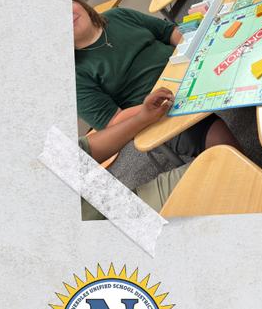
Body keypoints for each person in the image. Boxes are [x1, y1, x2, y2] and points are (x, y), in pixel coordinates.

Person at [72, 0, 239, 156]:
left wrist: (200, 49)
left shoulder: (117, 15)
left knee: (243, 61)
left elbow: (169, 32)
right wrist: (148, 110)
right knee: (223, 145)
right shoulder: (74, 77)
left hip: (189, 70)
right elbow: (113, 123)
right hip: (158, 114)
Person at [79, 87, 191, 220]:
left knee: (216, 163)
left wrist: (142, 118)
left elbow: (85, 149)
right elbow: (112, 121)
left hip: (124, 202)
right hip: (122, 218)